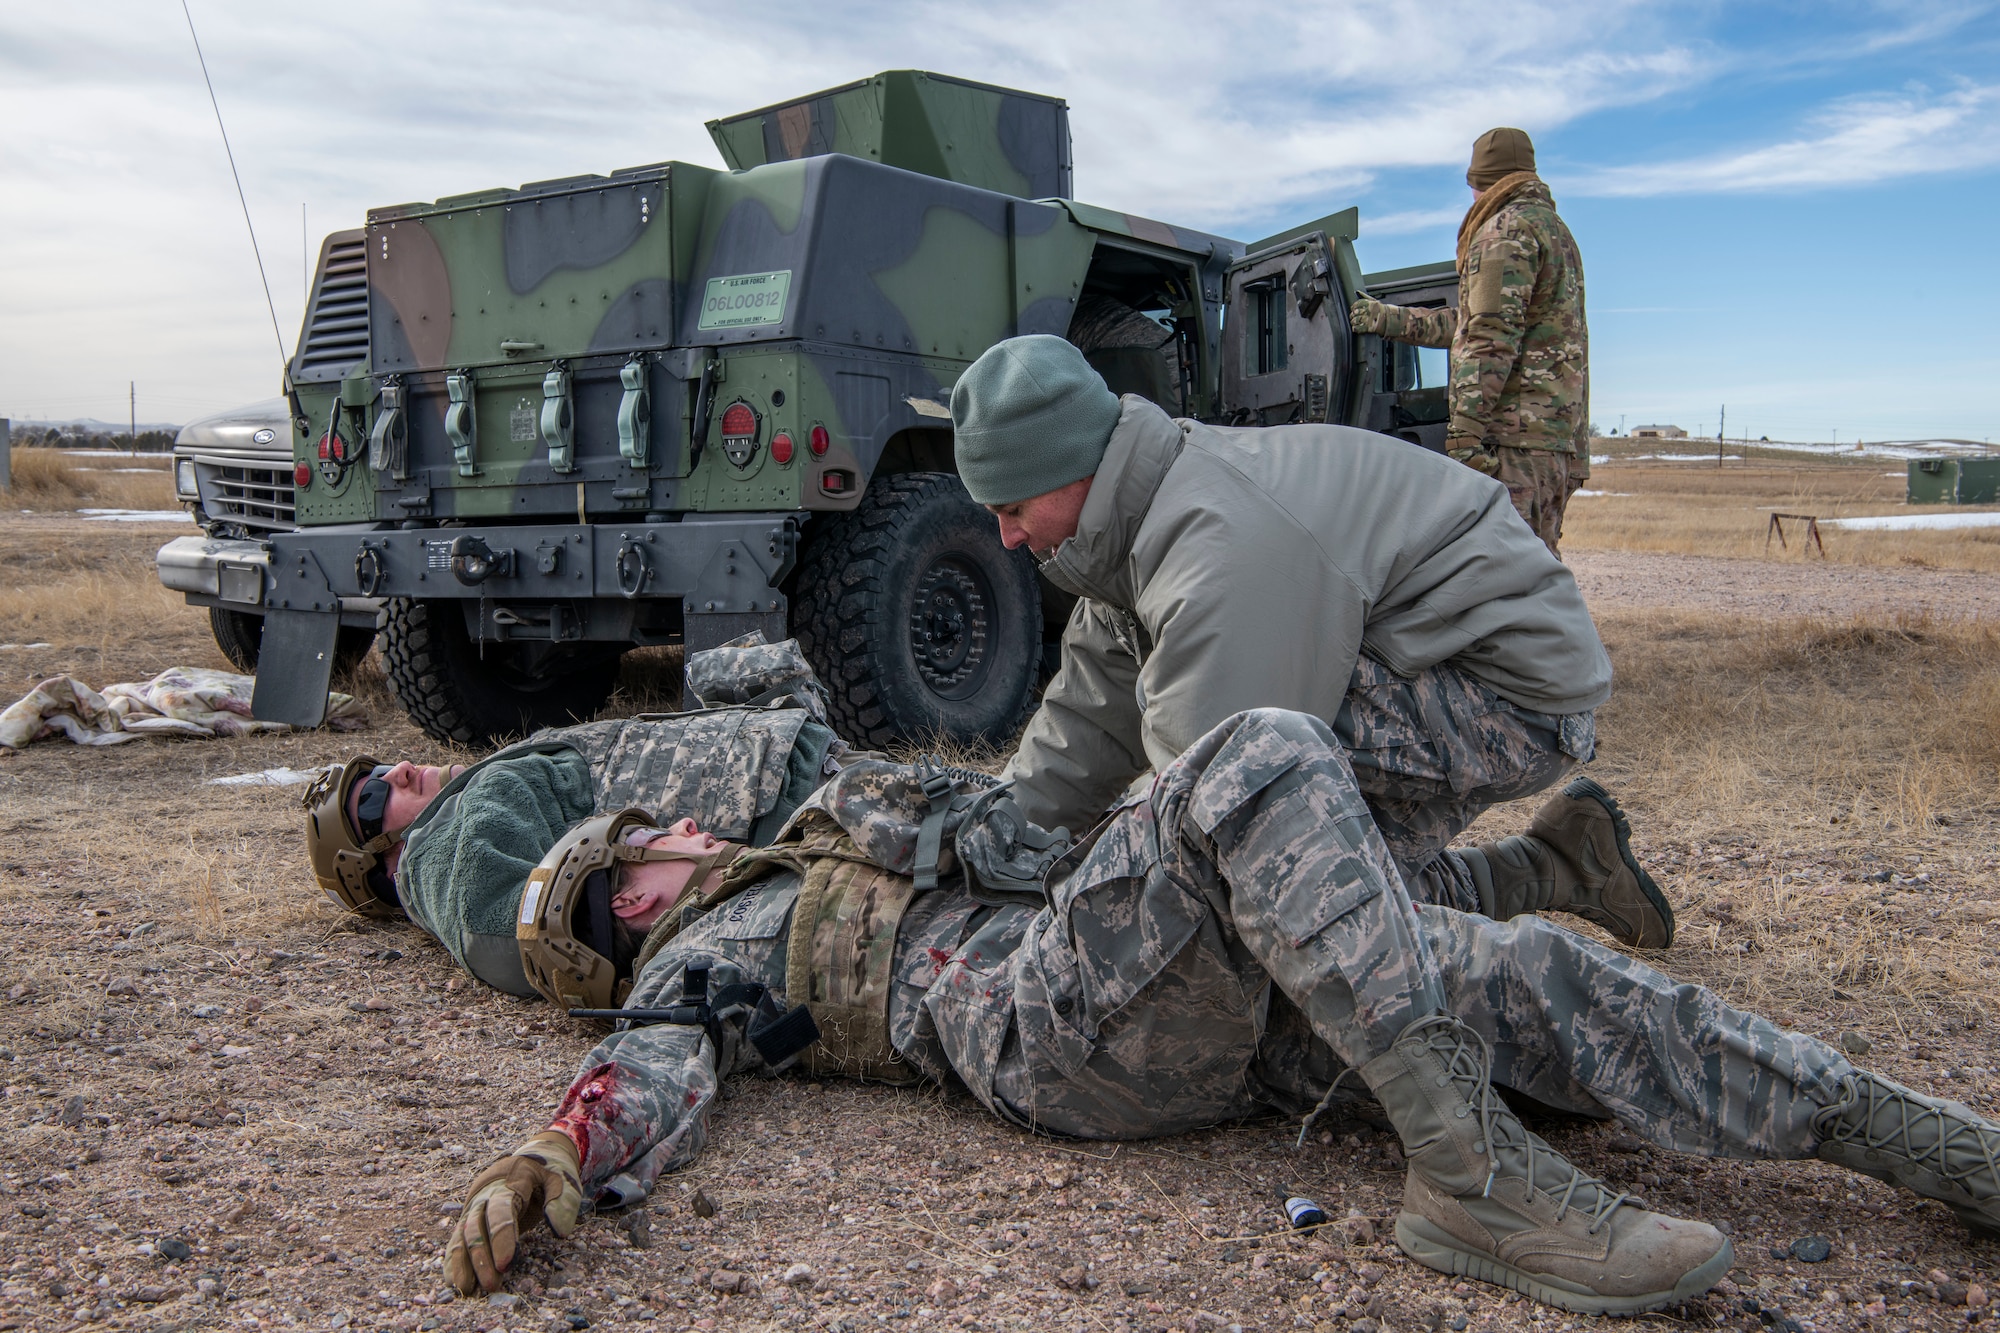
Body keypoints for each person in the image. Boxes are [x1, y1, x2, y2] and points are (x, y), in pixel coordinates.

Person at [437, 710, 2000, 1314]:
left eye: (644, 853)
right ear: (625, 920)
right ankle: (1473, 1180)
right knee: (1252, 753)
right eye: (626, 888)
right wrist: (553, 1161)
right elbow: (651, 1074)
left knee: (1541, 979)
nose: (664, 859)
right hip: (1049, 1034)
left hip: (1170, 985)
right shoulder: (704, 965)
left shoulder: (810, 818)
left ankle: (1925, 1146)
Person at [948, 333, 1671, 948]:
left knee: (1266, 878)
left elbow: (1194, 801)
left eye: (1014, 508)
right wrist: (987, 842)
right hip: (1433, 662)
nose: (1008, 537)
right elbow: (1083, 730)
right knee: (1302, 882)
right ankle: (1560, 863)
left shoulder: (1216, 550)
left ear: (1073, 467)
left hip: (1516, 690)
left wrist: (1065, 911)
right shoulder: (1128, 529)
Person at [301, 637, 844, 995]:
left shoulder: (467, 802)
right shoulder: (433, 858)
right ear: (380, 865)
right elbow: (498, 927)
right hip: (802, 810)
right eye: (372, 798)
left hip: (789, 773)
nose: (395, 769)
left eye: (377, 771)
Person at [1348, 127, 1590, 553]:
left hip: (1513, 442)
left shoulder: (1504, 232)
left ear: (1483, 181)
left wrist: (1463, 437)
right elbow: (1475, 321)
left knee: (1504, 576)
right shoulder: (1553, 230)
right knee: (1534, 573)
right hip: (1551, 442)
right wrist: (1388, 319)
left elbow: (1487, 338)